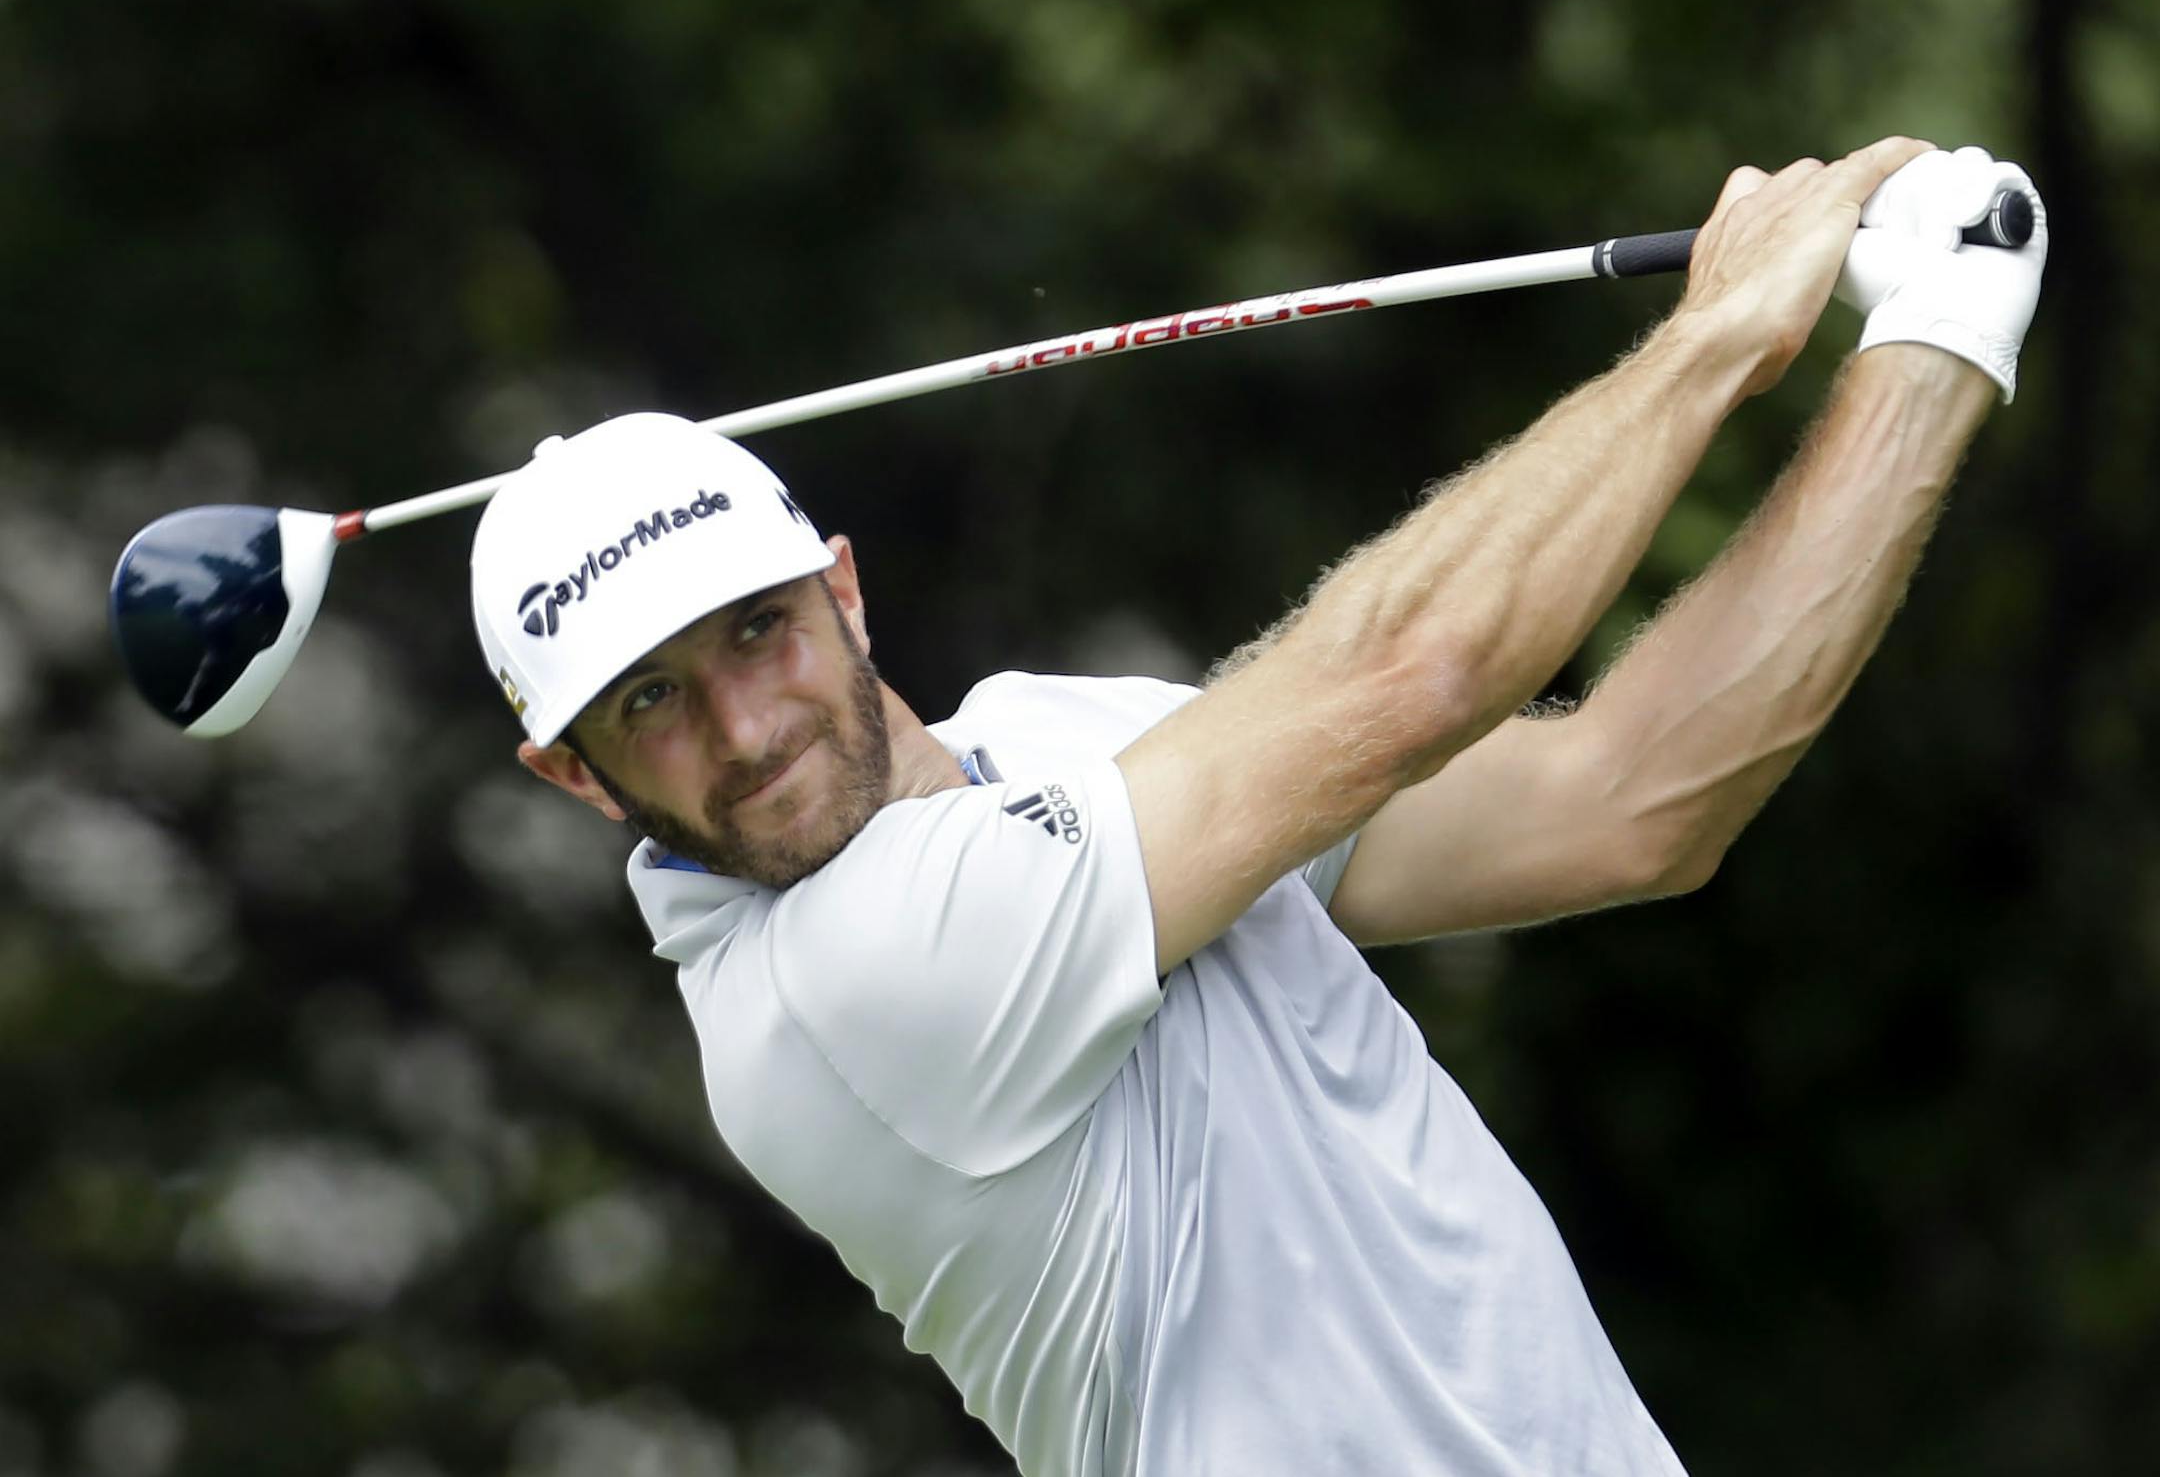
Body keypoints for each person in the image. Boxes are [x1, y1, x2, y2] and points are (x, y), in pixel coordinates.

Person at [467, 137, 2046, 1476]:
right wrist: (1720, 335)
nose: (747, 727)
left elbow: (1621, 800)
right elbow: (1410, 672)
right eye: (652, 699)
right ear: (573, 771)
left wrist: (1939, 337)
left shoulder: (1052, 741)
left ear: (844, 590)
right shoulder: (839, 983)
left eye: (757, 628)